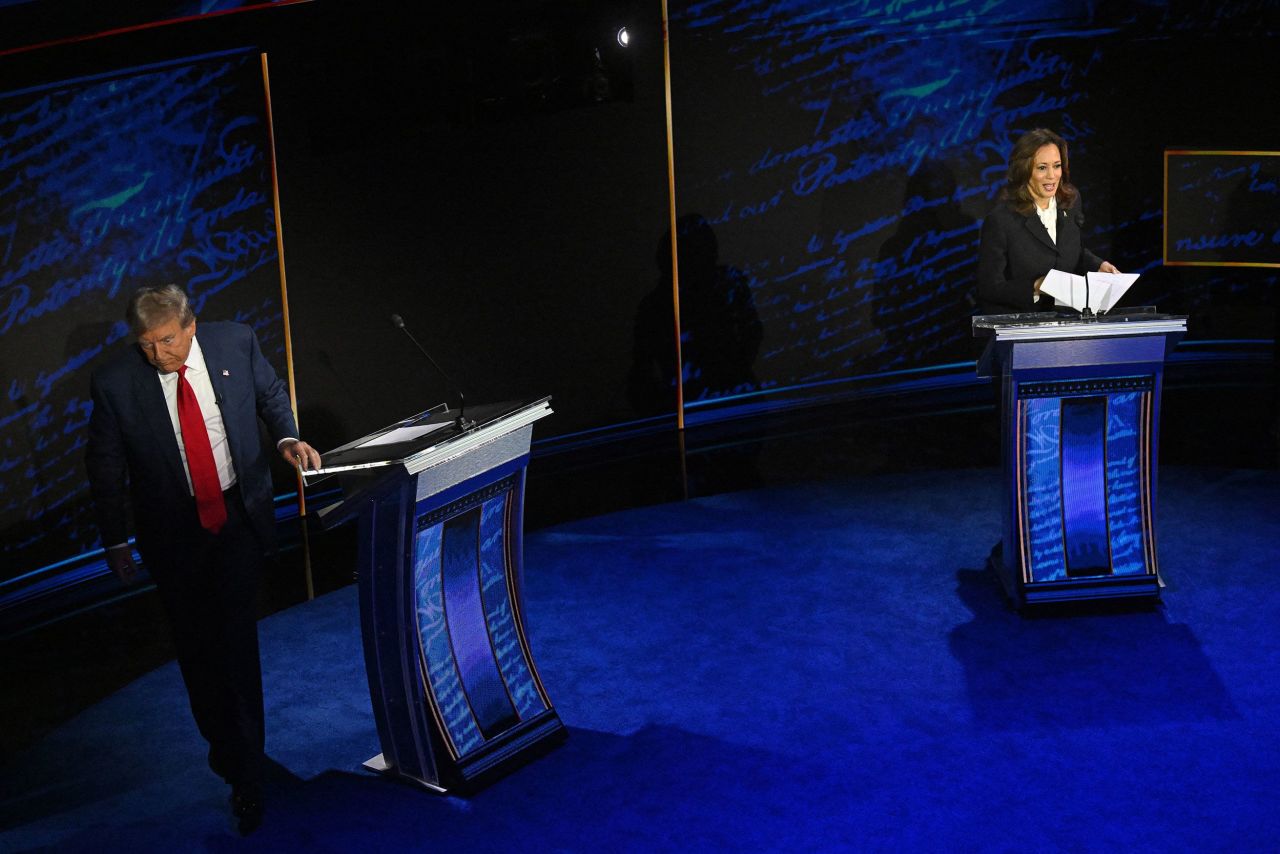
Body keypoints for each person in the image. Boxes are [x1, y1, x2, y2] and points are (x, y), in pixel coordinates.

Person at [85, 284, 322, 835]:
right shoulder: (115, 382)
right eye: (144, 344)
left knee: (237, 644)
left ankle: (248, 773)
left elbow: (269, 397)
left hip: (236, 521)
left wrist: (287, 438)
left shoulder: (235, 342)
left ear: (191, 326)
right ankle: (227, 752)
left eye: (165, 341)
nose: (156, 355)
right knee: (198, 653)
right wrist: (116, 540)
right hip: (174, 535)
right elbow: (105, 466)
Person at [977, 128, 1120, 315]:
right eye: (1042, 168)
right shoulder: (1001, 220)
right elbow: (988, 288)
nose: (1052, 176)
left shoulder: (1071, 202)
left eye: (1057, 166)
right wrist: (1035, 287)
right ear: (1024, 170)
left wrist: (1096, 265)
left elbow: (1070, 249)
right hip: (1023, 326)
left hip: (1067, 321)